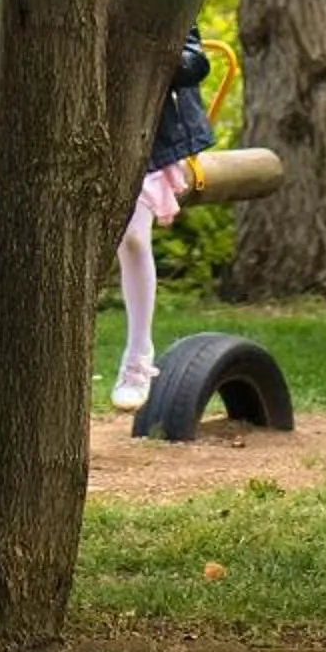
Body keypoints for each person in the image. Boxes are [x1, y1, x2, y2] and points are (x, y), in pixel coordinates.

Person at [112, 28, 214, 412]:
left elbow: (195, 61)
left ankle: (138, 356)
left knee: (133, 237)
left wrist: (157, 56)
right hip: (89, 126)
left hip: (147, 134)